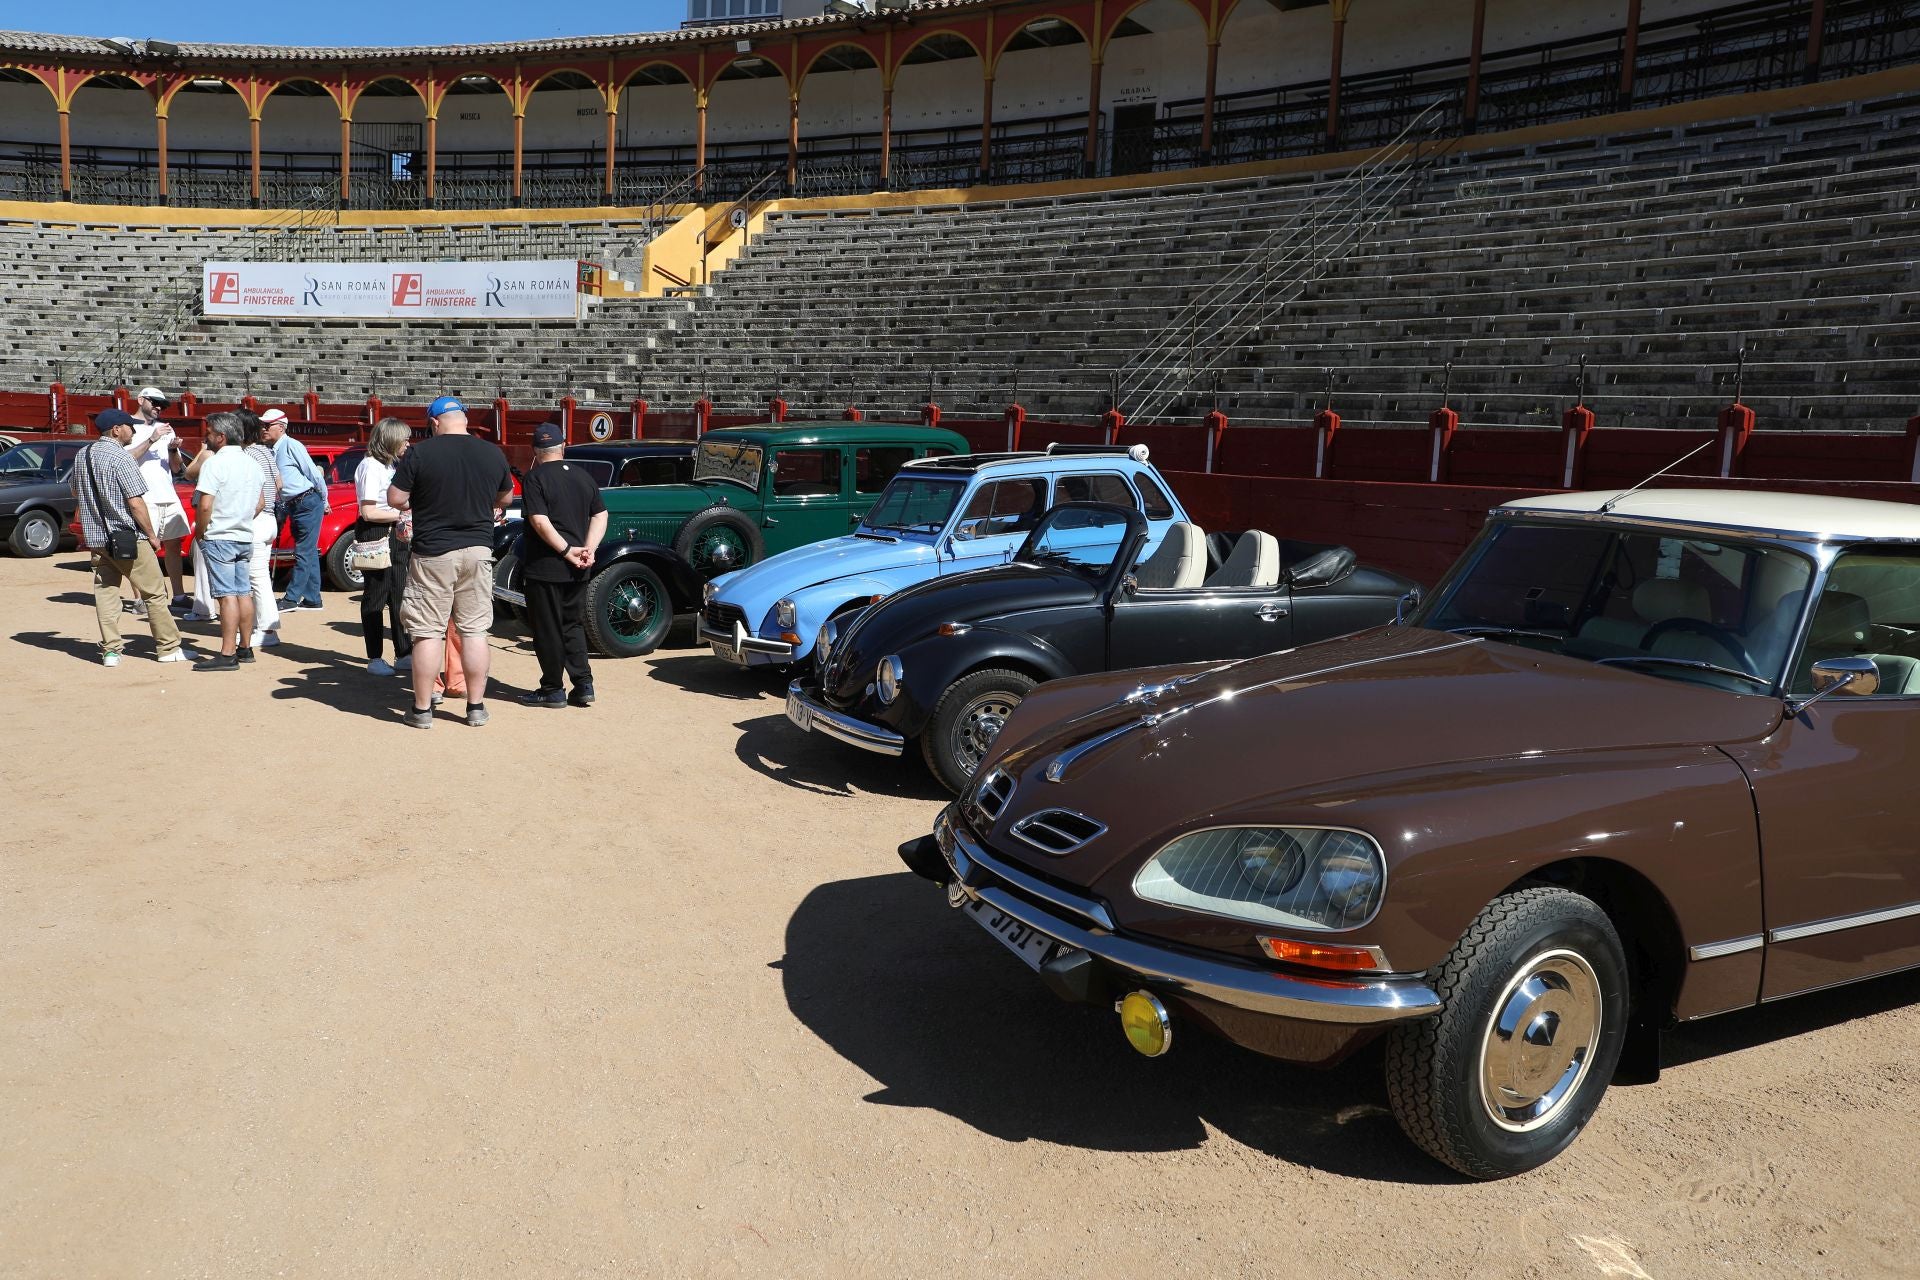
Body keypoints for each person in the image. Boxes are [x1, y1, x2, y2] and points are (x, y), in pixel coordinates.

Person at [389, 396, 512, 728]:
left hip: (434, 552)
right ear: (464, 420)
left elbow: (395, 498)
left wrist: (422, 497)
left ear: (434, 423)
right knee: (474, 631)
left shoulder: (421, 452)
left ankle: (423, 710)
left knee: (428, 632)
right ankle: (476, 707)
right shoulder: (491, 452)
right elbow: (507, 496)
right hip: (478, 550)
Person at [70, 408, 190, 666]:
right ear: (116, 430)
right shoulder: (122, 458)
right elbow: (136, 503)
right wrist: (152, 535)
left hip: (97, 539)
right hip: (127, 537)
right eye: (129, 427)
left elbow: (74, 491)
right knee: (155, 593)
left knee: (106, 592)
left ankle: (111, 651)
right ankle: (168, 647)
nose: (133, 431)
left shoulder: (83, 455)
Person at [517, 420, 606, 708]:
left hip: (547, 564)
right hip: (579, 564)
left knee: (547, 628)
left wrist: (566, 550)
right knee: (572, 624)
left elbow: (539, 521)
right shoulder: (583, 476)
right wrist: (588, 549)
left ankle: (552, 687)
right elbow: (601, 515)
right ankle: (583, 684)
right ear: (563, 447)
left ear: (535, 450)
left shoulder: (535, 478)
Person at [192, 413, 264, 671]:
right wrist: (240, 518)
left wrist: (201, 532)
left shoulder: (214, 463)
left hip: (220, 535)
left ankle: (227, 653)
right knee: (243, 592)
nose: (206, 437)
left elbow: (205, 505)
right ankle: (244, 648)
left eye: (209, 432)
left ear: (221, 437)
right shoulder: (252, 463)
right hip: (243, 535)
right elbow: (261, 503)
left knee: (226, 596)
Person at [353, 417, 414, 675]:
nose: (408, 444)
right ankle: (374, 656)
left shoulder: (390, 465)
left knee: (399, 592)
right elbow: (368, 512)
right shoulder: (370, 466)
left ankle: (403, 652)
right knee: (376, 595)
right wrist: (401, 515)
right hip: (376, 533)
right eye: (404, 439)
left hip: (396, 534)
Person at [123, 386, 191, 611]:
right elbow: (125, 460)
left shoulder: (166, 429)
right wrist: (152, 440)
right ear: (141, 400)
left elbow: (175, 467)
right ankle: (142, 598)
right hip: (142, 496)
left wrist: (173, 450)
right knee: (142, 548)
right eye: (154, 402)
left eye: (162, 405)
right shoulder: (127, 427)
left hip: (166, 494)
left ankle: (179, 596)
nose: (159, 408)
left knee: (173, 546)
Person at [264, 407, 328, 611]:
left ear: (281, 427)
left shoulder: (292, 445)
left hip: (306, 500)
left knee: (303, 551)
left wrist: (324, 499)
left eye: (268, 425)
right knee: (307, 551)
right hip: (295, 503)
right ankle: (312, 598)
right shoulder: (272, 449)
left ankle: (292, 598)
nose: (264, 429)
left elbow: (313, 473)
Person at [239, 410, 284, 650]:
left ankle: (266, 629)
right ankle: (263, 627)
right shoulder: (266, 452)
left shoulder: (248, 454)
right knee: (259, 576)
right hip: (269, 520)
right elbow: (279, 483)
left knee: (256, 577)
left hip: (257, 520)